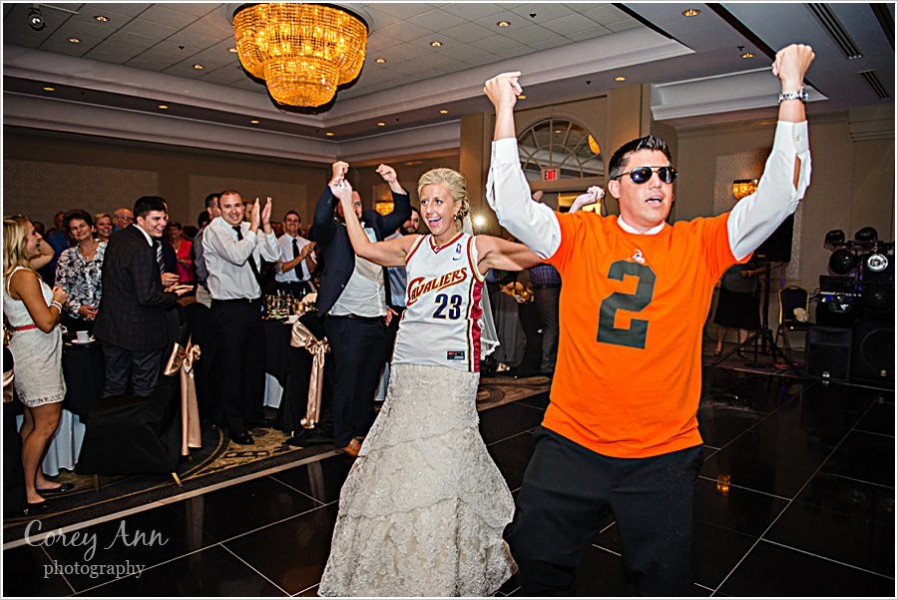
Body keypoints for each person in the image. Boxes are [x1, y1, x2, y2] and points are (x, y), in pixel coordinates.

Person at [483, 43, 814, 596]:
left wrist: (791, 88)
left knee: (665, 580)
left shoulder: (702, 243)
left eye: (665, 173)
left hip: (662, 452)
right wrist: (502, 110)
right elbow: (513, 207)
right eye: (641, 176)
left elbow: (782, 193)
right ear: (615, 188)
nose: (657, 182)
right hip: (571, 444)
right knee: (538, 563)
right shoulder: (581, 235)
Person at [319, 167, 541, 597]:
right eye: (425, 202)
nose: (430, 210)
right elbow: (364, 248)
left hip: (453, 372)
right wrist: (345, 199)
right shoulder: (411, 245)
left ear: (459, 206)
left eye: (439, 201)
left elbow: (536, 254)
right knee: (403, 460)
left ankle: (444, 557)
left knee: (444, 461)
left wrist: (574, 217)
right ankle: (405, 549)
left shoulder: (477, 249)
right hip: (408, 368)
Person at [308, 162, 410, 456]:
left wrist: (394, 182)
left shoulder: (374, 225)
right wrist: (335, 183)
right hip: (346, 321)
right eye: (348, 203)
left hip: (376, 319)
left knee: (368, 382)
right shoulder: (332, 233)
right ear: (340, 208)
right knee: (347, 383)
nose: (356, 206)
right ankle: (343, 437)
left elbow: (402, 213)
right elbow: (319, 217)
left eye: (358, 202)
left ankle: (361, 432)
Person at [3, 215, 71, 511]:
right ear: (19, 240)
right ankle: (28, 489)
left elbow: (49, 253)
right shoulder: (24, 276)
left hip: (31, 349)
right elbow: (45, 321)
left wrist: (32, 237)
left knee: (31, 422)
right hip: (36, 351)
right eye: (33, 233)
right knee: (46, 422)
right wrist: (58, 300)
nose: (38, 237)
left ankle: (34, 478)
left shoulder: (15, 270)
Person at [94, 197, 192, 399]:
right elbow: (147, 296)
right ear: (139, 220)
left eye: (165, 218)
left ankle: (113, 430)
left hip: (113, 327)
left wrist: (155, 280)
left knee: (114, 387)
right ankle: (140, 430)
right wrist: (173, 296)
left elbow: (126, 279)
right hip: (141, 331)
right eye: (156, 219)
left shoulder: (119, 238)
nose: (163, 224)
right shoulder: (142, 248)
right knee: (144, 389)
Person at [203, 191, 279, 445]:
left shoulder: (249, 228)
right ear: (218, 210)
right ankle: (235, 424)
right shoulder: (215, 230)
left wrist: (265, 225)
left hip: (251, 307)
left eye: (237, 205)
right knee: (232, 368)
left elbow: (272, 255)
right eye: (228, 207)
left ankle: (252, 415)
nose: (234, 211)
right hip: (228, 309)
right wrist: (255, 228)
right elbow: (237, 256)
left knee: (254, 364)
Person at [54, 210, 106, 334]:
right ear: (70, 234)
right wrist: (78, 308)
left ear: (92, 227)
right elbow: (59, 289)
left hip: (107, 317)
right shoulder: (66, 256)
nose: (79, 230)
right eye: (74, 228)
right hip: (76, 319)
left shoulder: (109, 250)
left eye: (82, 226)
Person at [713, 262, 764, 357]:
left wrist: (750, 273)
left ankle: (741, 348)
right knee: (724, 319)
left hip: (748, 290)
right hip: (729, 287)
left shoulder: (755, 251)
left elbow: (765, 268)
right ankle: (719, 345)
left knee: (745, 321)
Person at [274, 210, 316, 296]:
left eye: (295, 220)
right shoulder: (277, 244)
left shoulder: (306, 243)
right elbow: (280, 269)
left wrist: (307, 255)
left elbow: (312, 270)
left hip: (305, 286)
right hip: (286, 288)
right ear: (284, 224)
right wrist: (301, 256)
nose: (292, 223)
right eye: (289, 220)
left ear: (299, 224)